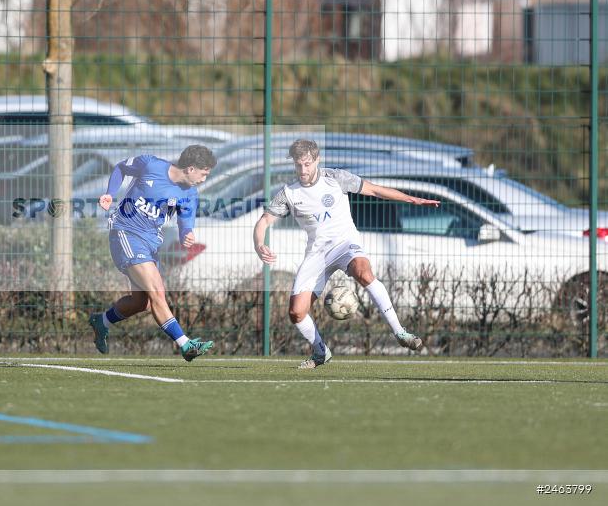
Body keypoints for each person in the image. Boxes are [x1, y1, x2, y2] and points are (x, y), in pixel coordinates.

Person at [252, 139, 440, 369]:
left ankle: (400, 332)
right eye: (298, 165)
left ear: (317, 160)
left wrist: (413, 199)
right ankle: (320, 352)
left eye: (307, 164)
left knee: (363, 271)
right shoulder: (289, 193)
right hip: (317, 255)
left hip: (345, 244)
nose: (303, 170)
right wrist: (259, 244)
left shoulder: (336, 178)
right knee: (296, 312)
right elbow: (263, 222)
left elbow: (375, 189)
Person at [88, 145, 217, 361]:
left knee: (142, 303)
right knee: (157, 290)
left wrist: (187, 234)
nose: (204, 179)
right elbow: (121, 168)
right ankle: (185, 345)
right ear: (191, 168)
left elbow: (186, 223)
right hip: (126, 233)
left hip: (150, 243)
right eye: (204, 174)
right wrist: (110, 194)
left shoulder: (190, 193)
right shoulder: (150, 165)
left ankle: (102, 321)